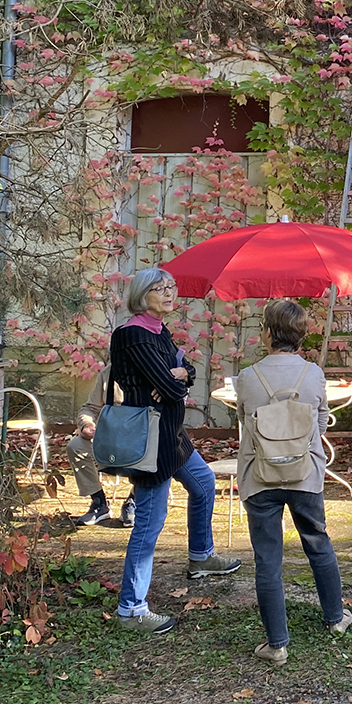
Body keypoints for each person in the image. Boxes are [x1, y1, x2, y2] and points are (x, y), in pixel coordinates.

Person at [111, 267, 242, 634]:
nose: (169, 293)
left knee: (203, 483)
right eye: (160, 288)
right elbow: (170, 388)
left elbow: (187, 372)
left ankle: (201, 556)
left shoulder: (159, 331)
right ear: (142, 296)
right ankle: (131, 609)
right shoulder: (133, 334)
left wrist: (180, 375)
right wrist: (175, 379)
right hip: (150, 441)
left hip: (172, 435)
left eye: (171, 286)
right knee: (149, 524)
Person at [237, 298, 351, 665]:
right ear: (301, 335)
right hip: (305, 474)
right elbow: (321, 422)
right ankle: (335, 617)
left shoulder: (247, 378)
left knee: (267, 559)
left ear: (268, 333)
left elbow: (245, 422)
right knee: (318, 542)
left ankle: (277, 644)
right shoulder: (314, 375)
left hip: (260, 476)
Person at [69, 367, 137, 527]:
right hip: (109, 439)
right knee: (76, 446)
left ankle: (134, 502)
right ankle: (99, 503)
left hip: (140, 440)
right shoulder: (108, 373)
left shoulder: (154, 370)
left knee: (161, 450)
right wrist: (86, 424)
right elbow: (90, 408)